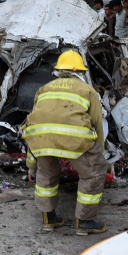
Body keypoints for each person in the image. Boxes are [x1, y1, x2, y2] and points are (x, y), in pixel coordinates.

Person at [21, 50, 108, 236]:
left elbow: (33, 127)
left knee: (46, 174)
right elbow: (97, 125)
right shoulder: (87, 90)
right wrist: (99, 155)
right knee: (93, 174)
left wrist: (31, 167)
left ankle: (48, 219)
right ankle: (84, 222)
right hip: (76, 141)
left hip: (42, 140)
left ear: (58, 70)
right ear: (80, 72)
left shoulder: (43, 89)